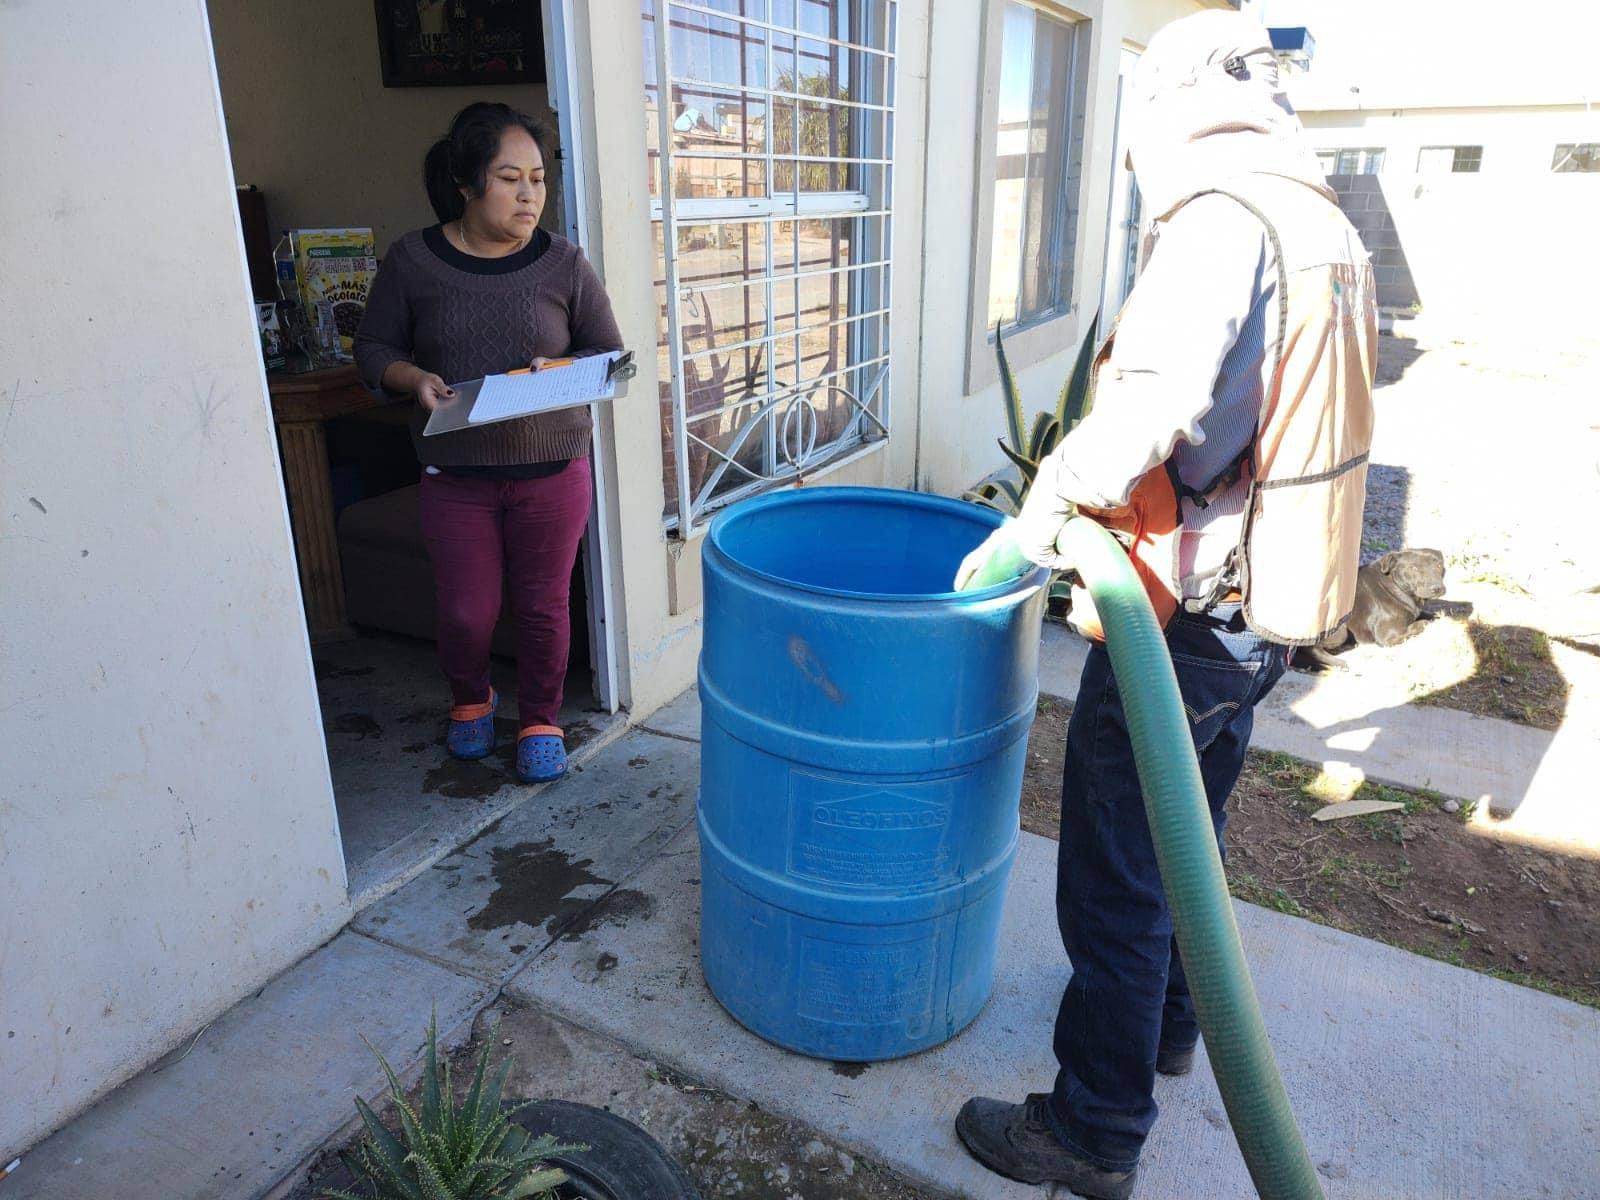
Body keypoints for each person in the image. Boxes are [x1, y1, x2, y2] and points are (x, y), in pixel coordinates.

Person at [952, 12, 1377, 1199]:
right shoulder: (1315, 214)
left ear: (1176, 102)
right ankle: (1175, 1025)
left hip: (1191, 607)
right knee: (1192, 831)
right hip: (1273, 592)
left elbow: (1148, 402)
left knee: (1120, 863)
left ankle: (1091, 1127)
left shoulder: (1224, 217)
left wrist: (1029, 525)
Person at [355, 102, 622, 784]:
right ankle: (471, 696)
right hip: (456, 472)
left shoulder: (564, 263)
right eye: (510, 177)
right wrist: (410, 376)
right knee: (466, 609)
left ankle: (540, 716)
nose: (530, 193)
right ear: (468, 183)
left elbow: (608, 354)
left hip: (554, 468)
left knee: (542, 604)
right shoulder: (414, 261)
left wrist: (556, 370)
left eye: (538, 177)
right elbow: (374, 345)